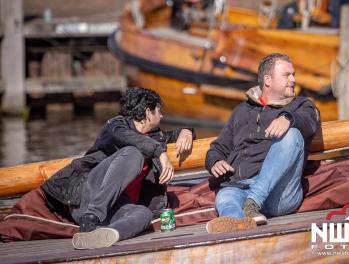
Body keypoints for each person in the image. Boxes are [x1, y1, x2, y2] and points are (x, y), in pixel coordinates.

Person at [42, 87, 195, 249]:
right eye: (159, 110)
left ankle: (104, 235)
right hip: (88, 199)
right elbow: (131, 139)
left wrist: (187, 132)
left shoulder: (155, 136)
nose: (162, 115)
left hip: (116, 208)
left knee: (144, 214)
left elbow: (173, 135)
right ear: (148, 113)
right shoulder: (116, 126)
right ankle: (91, 218)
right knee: (133, 153)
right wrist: (161, 154)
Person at [205, 53, 320, 233]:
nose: (293, 79)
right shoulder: (242, 111)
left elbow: (310, 121)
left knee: (293, 135)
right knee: (225, 198)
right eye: (286, 75)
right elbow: (219, 147)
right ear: (268, 80)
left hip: (279, 194)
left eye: (293, 74)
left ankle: (253, 204)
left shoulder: (301, 105)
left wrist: (288, 118)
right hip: (240, 187)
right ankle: (239, 224)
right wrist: (215, 161)